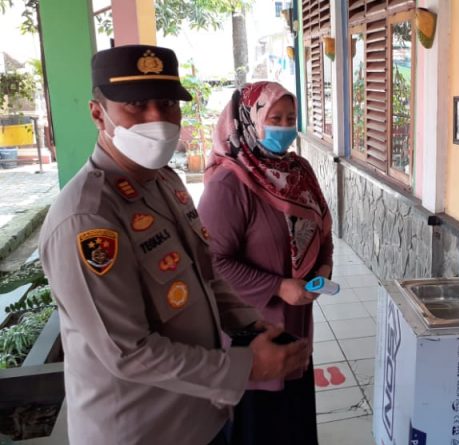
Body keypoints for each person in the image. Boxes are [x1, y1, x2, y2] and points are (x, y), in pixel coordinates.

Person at [38, 45, 310, 445]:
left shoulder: (164, 181)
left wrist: (249, 322)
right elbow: (127, 351)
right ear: (98, 114)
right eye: (136, 105)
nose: (157, 119)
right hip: (141, 429)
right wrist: (246, 368)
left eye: (167, 104)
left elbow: (206, 272)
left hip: (199, 414)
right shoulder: (88, 218)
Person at [198, 81, 333, 445]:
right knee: (261, 425)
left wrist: (323, 266)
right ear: (248, 120)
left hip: (297, 320)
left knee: (294, 417)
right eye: (275, 118)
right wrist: (278, 286)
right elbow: (211, 261)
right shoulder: (229, 184)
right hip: (253, 329)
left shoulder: (299, 170)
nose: (285, 127)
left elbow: (321, 225)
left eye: (291, 118)